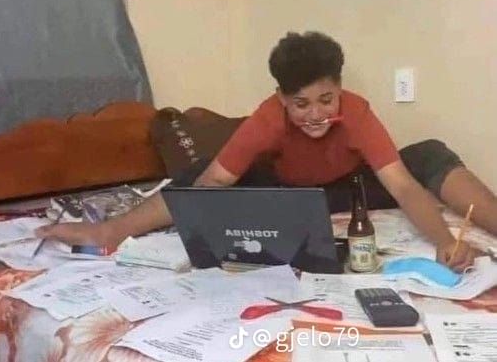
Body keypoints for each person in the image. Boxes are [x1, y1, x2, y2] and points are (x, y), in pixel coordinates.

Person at [36, 31, 497, 271]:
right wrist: (196, 232)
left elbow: (402, 185)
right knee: (201, 175)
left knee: (427, 153)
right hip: (289, 191)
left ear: (339, 89)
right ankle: (111, 230)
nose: (315, 115)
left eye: (325, 100)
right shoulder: (266, 118)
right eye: (300, 104)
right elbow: (215, 180)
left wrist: (444, 241)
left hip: (352, 188)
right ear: (281, 98)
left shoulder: (356, 112)